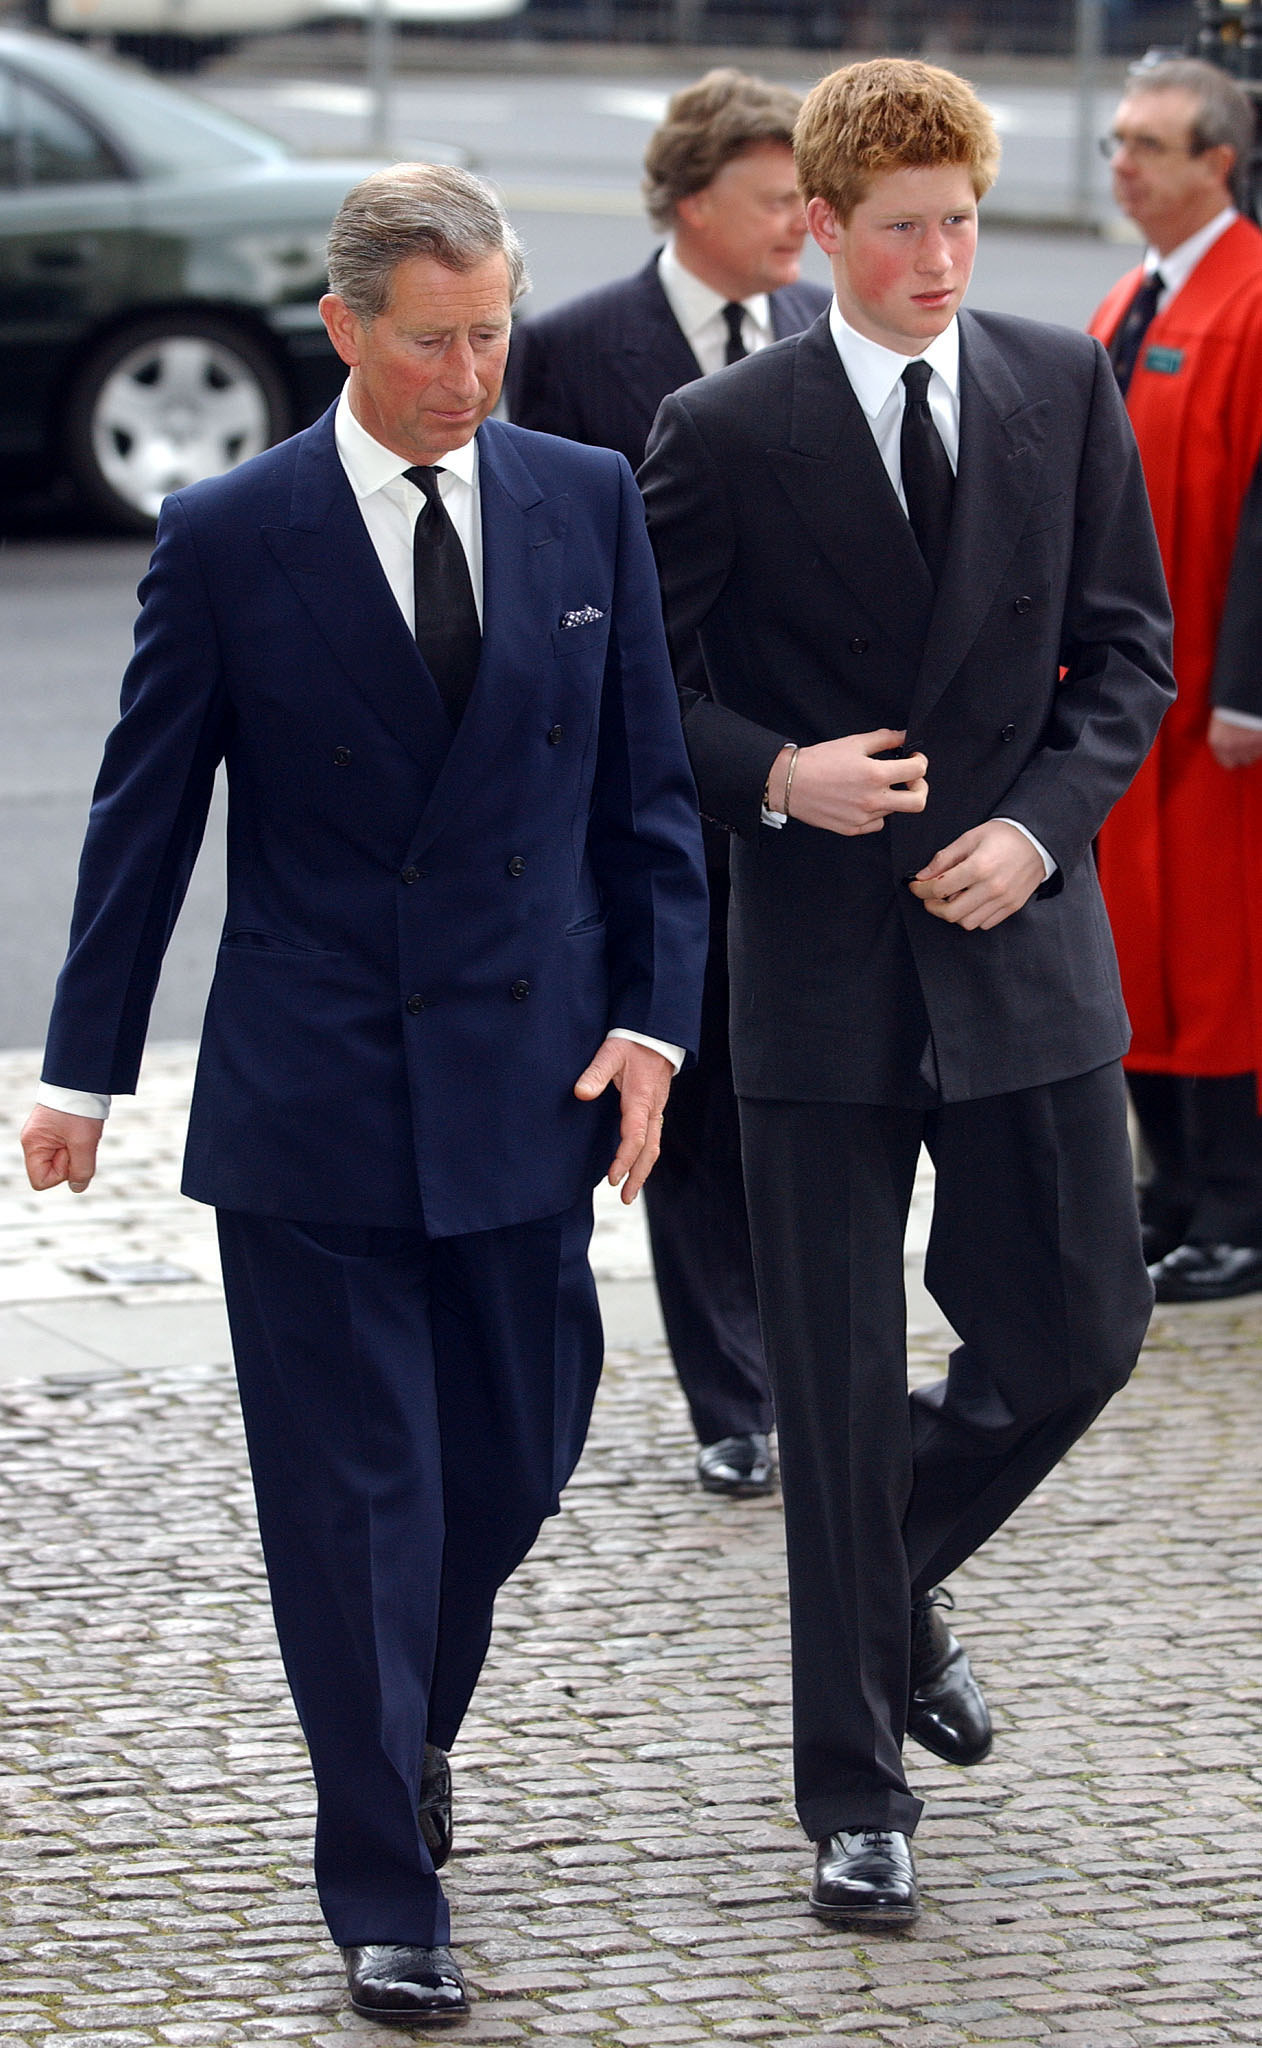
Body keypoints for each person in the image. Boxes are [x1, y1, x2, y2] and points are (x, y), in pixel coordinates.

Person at [20, 164, 708, 2025]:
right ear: (342, 327)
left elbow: (646, 802)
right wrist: (79, 1069)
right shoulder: (231, 532)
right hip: (312, 1096)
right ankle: (382, 1874)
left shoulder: (581, 501)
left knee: (508, 1456)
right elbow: (142, 818)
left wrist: (655, 1029)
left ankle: (398, 1722)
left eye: (489, 332)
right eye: (431, 341)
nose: (470, 373)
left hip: (531, 1078)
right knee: (355, 1501)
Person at [640, 59, 1173, 1926]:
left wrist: (1037, 828)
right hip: (813, 968)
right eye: (900, 230)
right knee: (842, 1388)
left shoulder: (1058, 378)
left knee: (1083, 1331)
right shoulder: (718, 427)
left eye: (960, 221)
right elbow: (646, 698)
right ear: (820, 231)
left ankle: (889, 1583)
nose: (940, 258)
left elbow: (1126, 656)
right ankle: (853, 1790)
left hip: (1021, 941)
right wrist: (783, 773)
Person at [506, 69, 829, 1499]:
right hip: (652, 780)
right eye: (777, 199)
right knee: (688, 1090)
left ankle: (810, 1366)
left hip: (805, 786)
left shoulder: (825, 326)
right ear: (694, 201)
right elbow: (542, 559)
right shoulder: (574, 346)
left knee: (799, 1085)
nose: (802, 226)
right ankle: (735, 1396)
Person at [1089, 58, 1262, 1304]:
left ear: (1217, 161)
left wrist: (1247, 687)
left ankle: (1241, 1205)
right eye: (1113, 142)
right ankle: (1168, 1195)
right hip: (1133, 701)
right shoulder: (1127, 303)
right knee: (1136, 952)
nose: (1121, 165)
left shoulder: (1251, 301)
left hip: (1217, 708)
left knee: (1222, 953)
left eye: (1147, 144)